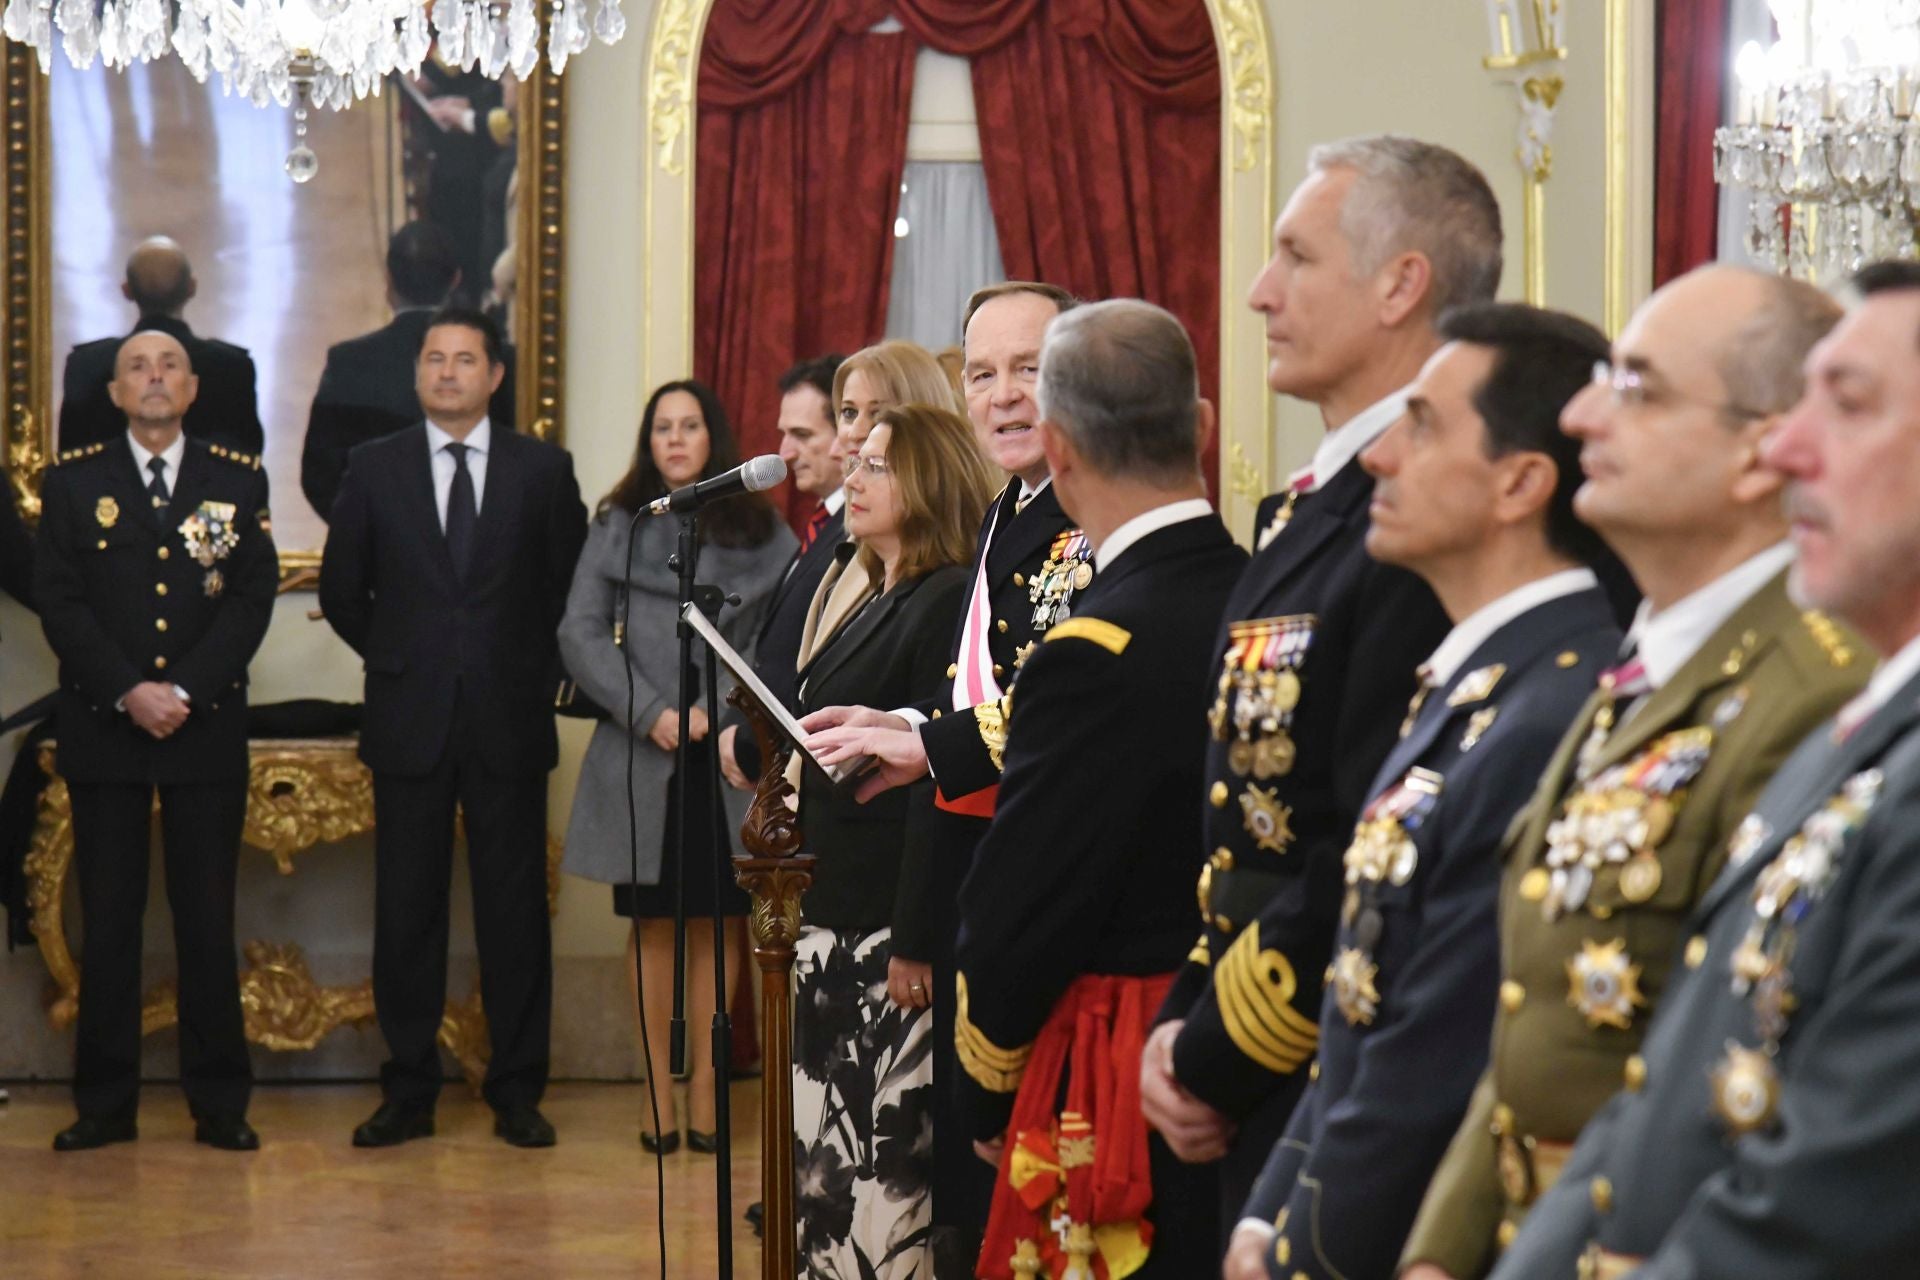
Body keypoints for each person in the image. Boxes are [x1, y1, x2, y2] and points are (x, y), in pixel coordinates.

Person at [1401, 265, 1867, 1280]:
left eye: (1635, 388)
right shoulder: (1644, 662)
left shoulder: (1807, 693)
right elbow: (1531, 1011)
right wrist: (1441, 1247)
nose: (1578, 414)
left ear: (1761, 446)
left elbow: (1721, 1060)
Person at [1219, 303, 1622, 1280]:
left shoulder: (1553, 708)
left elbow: (1438, 1057)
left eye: (1425, 425)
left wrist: (1299, 1250)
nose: (1381, 457)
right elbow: (1364, 1000)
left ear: (1522, 482)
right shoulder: (1479, 683)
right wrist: (1266, 1211)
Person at [1139, 135, 1489, 1233]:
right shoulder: (1310, 513)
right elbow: (1245, 835)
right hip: (1252, 1052)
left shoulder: (1425, 520)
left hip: (1344, 1064)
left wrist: (1214, 1049)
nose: (1257, 291)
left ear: (1401, 284)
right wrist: (1187, 1017)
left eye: (1296, 256)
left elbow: (1374, 835)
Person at [939, 300, 1245, 1278]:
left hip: (1115, 1063)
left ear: (1058, 449)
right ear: (1199, 427)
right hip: (1248, 1045)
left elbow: (1021, 904)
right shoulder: (1270, 595)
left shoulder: (1089, 650)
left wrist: (985, 1086)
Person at [802, 282, 1093, 1263]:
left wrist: (925, 742)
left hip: (1058, 910)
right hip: (984, 894)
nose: (1004, 394)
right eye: (982, 372)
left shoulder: (1087, 514)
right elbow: (984, 695)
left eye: (1030, 368)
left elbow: (1064, 713)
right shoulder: (1012, 510)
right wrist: (907, 727)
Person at [319, 306, 586, 1149]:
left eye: (464, 359)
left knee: (514, 912)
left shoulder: (544, 471)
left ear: (494, 375)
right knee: (406, 910)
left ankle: (515, 1088)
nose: (447, 372)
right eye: (434, 359)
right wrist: (401, 658)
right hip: (409, 717)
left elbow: (566, 598)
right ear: (417, 373)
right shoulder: (373, 467)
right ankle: (408, 1090)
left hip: (508, 721)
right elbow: (341, 593)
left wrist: (526, 677)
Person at [35, 329, 277, 1152]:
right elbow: (60, 602)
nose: (153, 378)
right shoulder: (71, 484)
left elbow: (251, 598)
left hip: (203, 729)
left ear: (193, 387)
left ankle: (219, 1104)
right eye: (136, 367)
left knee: (206, 919)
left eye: (169, 364)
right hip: (106, 727)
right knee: (109, 920)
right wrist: (129, 691)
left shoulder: (235, 481)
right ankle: (104, 1106)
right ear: (112, 392)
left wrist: (184, 690)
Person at [557, 379, 794, 1152]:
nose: (676, 439)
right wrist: (652, 711)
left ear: (713, 439)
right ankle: (657, 1095)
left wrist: (730, 721)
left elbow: (780, 643)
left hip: (729, 759)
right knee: (656, 924)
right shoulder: (620, 523)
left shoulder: (764, 530)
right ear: (648, 442)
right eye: (662, 427)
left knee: (722, 922)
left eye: (690, 426)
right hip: (644, 754)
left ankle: (706, 1098)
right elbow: (581, 634)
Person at [791, 402, 998, 1279]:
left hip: (886, 928)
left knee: (885, 1174)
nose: (854, 475)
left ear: (929, 480)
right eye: (857, 460)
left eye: (878, 464)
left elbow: (934, 789)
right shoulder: (879, 588)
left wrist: (917, 938)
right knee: (824, 1177)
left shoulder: (945, 594)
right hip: (830, 914)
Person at [301, 221, 517, 522]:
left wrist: (368, 535)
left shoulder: (349, 363)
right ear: (455, 280)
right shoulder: (502, 362)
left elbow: (320, 476)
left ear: (388, 279)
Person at [793, 341, 966, 674]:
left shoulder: (944, 583)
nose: (857, 431)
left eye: (878, 414)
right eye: (847, 413)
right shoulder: (862, 544)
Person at [718, 354, 847, 790]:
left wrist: (755, 741)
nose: (785, 452)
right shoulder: (822, 526)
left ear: (846, 433)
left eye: (802, 434)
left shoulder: (859, 534)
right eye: (783, 434)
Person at [59, 237, 264, 454]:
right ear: (191, 288)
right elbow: (248, 457)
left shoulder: (86, 366)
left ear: (127, 291)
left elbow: (70, 456)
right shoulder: (232, 367)